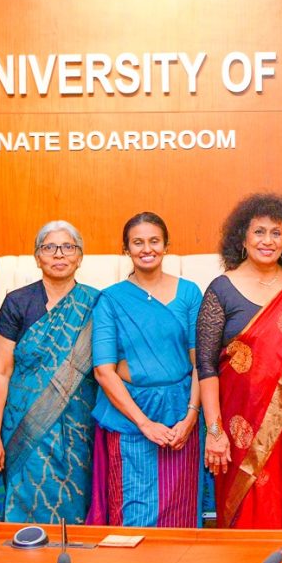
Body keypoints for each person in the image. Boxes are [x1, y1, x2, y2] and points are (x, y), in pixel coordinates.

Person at [197, 193, 282, 528]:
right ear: (242, 238)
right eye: (259, 232)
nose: (267, 241)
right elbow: (207, 367)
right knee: (243, 511)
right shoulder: (221, 290)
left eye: (276, 233)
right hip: (236, 429)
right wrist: (214, 432)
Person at [87, 212, 203, 527]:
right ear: (126, 249)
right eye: (138, 242)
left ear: (166, 245)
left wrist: (191, 418)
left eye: (154, 241)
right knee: (135, 515)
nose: (147, 249)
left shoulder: (189, 293)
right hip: (131, 419)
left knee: (181, 514)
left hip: (181, 416)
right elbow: (103, 371)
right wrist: (145, 424)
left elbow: (201, 363)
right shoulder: (111, 300)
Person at [0, 221, 98, 522]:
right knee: (23, 512)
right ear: (38, 257)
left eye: (68, 247)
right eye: (49, 247)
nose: (59, 254)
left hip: (78, 432)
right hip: (24, 428)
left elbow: (106, 369)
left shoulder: (96, 304)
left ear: (79, 257)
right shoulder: (17, 302)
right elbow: (0, 372)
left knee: (74, 513)